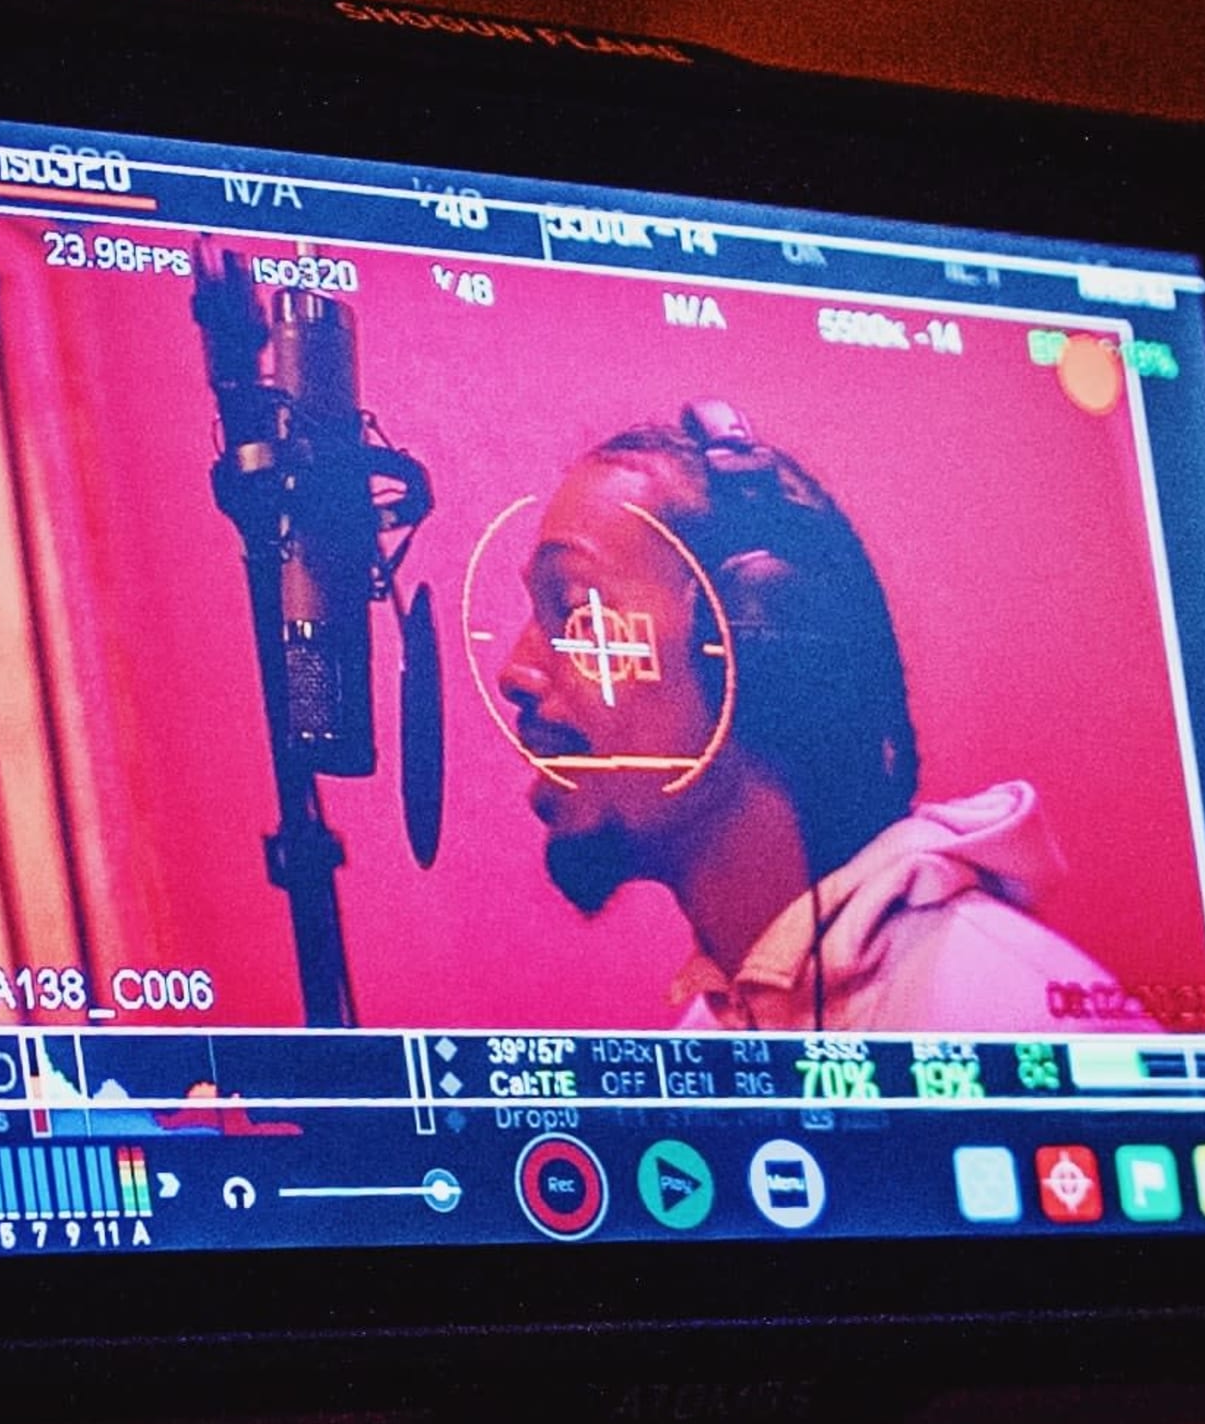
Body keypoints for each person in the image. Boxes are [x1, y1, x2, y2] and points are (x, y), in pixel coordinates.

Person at [491, 404, 1148, 1037]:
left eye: (575, 610)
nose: (515, 673)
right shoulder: (716, 1035)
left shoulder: (1014, 1016)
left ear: (751, 648)